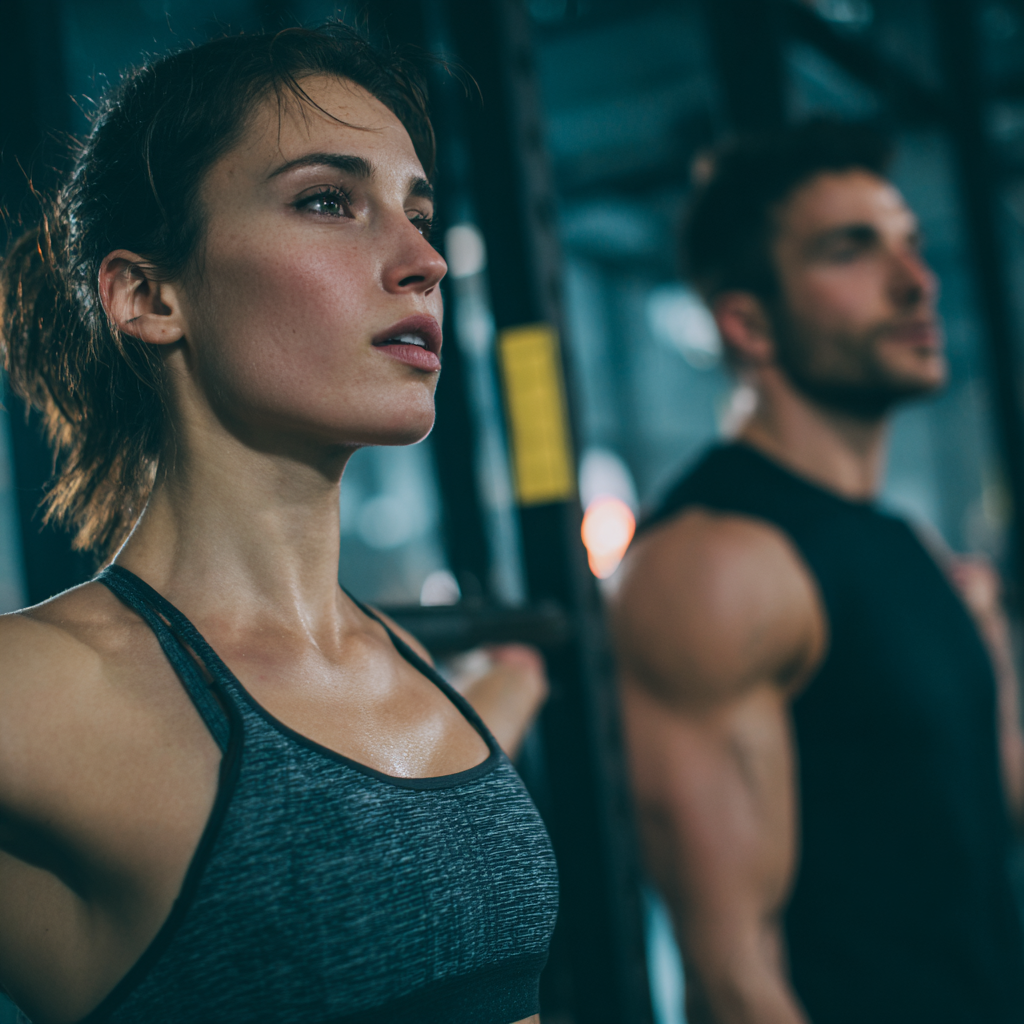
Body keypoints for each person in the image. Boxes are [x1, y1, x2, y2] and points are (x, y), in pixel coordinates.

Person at [0, 23, 557, 1024]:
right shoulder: (38, 694)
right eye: (326, 201)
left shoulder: (398, 669)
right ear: (147, 294)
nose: (422, 257)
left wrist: (516, 674)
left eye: (417, 212)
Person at [611, 119, 1024, 1024]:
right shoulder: (712, 565)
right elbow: (734, 977)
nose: (918, 282)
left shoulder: (904, 545)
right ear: (747, 323)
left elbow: (985, 805)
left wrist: (986, 641)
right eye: (853, 251)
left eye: (911, 247)